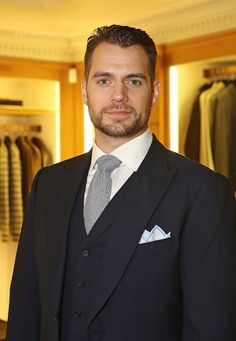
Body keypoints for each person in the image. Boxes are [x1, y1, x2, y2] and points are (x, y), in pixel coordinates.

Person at [6, 25, 236, 341]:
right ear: (85, 90)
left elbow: (212, 328)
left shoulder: (202, 191)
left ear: (154, 92)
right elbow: (26, 308)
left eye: (133, 81)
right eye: (104, 80)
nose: (119, 96)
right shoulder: (48, 184)